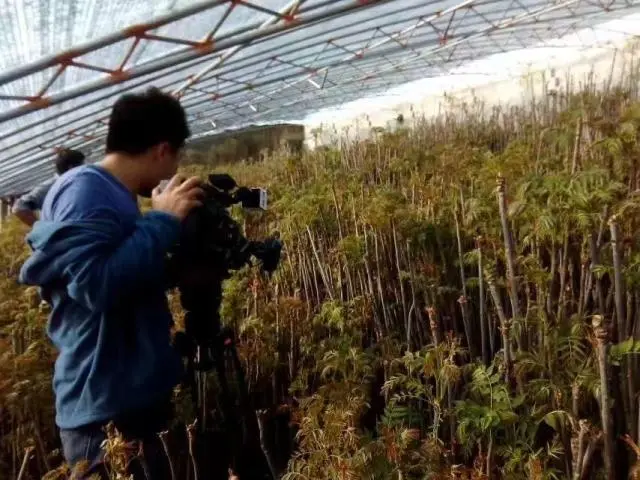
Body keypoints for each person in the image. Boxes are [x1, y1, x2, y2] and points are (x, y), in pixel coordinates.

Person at [18, 87, 204, 479]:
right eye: (176, 158)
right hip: (104, 412)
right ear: (162, 149)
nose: (173, 172)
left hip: (126, 397)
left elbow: (120, 277)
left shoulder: (111, 194)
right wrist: (163, 221)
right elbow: (94, 286)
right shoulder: (86, 191)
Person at [11, 148, 85, 226]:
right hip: (64, 234)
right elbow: (19, 207)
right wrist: (39, 228)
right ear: (71, 167)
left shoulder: (77, 183)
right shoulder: (51, 187)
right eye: (82, 165)